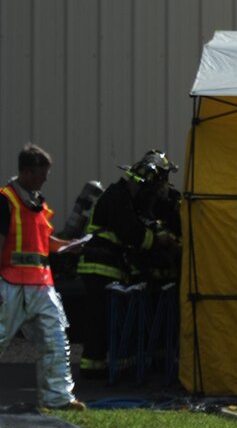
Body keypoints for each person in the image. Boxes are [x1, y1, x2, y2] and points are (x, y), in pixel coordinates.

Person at [75, 150, 178, 377]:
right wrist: (159, 239)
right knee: (98, 319)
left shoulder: (126, 198)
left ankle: (102, 366)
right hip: (98, 266)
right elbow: (131, 233)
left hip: (109, 266)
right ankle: (92, 370)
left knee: (105, 319)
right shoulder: (117, 197)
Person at [1, 144, 86, 411]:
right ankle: (57, 396)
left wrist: (65, 246)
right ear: (26, 171)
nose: (45, 179)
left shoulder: (37, 202)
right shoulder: (5, 199)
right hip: (10, 284)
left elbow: (40, 241)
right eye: (41, 173)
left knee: (56, 340)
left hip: (41, 284)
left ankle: (58, 398)